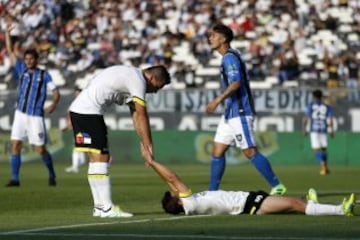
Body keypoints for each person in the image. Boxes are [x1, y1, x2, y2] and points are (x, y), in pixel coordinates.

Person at [68, 64, 171, 218]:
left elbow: (136, 115)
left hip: (80, 111)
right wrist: (149, 145)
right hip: (89, 112)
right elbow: (142, 115)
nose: (156, 91)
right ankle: (107, 208)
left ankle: (99, 207)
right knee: (102, 158)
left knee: (96, 160)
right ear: (152, 77)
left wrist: (144, 143)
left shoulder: (131, 76)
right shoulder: (138, 81)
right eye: (158, 86)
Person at [205, 23, 286, 195]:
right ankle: (212, 192)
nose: (210, 38)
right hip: (230, 113)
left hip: (240, 112)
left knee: (249, 151)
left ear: (224, 39)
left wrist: (217, 100)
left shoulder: (229, 57)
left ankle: (277, 185)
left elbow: (236, 83)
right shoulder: (229, 56)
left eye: (213, 35)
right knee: (217, 151)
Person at [146, 158, 355, 217]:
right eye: (174, 193)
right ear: (178, 200)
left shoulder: (188, 203)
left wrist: (153, 166)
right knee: (295, 204)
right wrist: (152, 161)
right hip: (250, 205)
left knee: (295, 204)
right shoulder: (190, 202)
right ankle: (340, 209)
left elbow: (169, 181)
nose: (175, 189)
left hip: (249, 200)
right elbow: (172, 177)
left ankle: (313, 204)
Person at [4, 23, 60, 187]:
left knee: (40, 149)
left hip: (35, 116)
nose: (28, 61)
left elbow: (56, 92)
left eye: (31, 59)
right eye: (26, 59)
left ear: (36, 60)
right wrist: (7, 35)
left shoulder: (44, 75)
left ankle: (51, 174)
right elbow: (10, 52)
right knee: (15, 144)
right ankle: (15, 179)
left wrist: (54, 104)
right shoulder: (21, 69)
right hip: (20, 114)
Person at [303, 89, 335, 175]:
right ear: (321, 96)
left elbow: (306, 118)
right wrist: (332, 130)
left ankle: (323, 166)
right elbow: (330, 119)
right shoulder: (327, 106)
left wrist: (304, 129)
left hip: (314, 130)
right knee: (324, 149)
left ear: (314, 96)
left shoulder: (310, 105)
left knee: (316, 150)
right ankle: (325, 167)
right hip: (324, 130)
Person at [62, 87, 86, 173]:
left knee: (79, 147)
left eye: (78, 93)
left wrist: (69, 126)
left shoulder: (84, 103)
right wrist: (69, 125)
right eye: (76, 93)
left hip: (84, 128)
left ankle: (75, 166)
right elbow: (70, 116)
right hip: (79, 128)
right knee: (79, 147)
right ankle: (78, 164)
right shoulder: (75, 103)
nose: (77, 95)